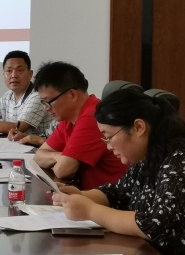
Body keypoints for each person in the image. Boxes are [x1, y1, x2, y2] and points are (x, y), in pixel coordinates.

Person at [52, 87, 185, 255]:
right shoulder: (151, 154)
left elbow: (155, 226)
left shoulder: (183, 163)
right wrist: (81, 196)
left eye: (108, 137)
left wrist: (90, 211)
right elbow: (117, 193)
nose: (108, 146)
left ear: (138, 127)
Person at [29, 61, 126, 189]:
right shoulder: (68, 119)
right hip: (89, 193)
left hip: (110, 196)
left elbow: (63, 171)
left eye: (48, 102)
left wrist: (59, 159)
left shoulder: (93, 117)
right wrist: (58, 156)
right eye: (43, 103)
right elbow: (39, 155)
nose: (46, 109)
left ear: (72, 95)